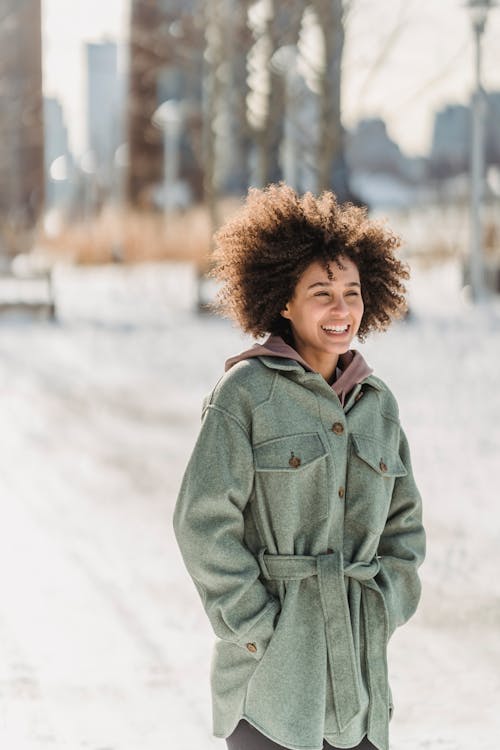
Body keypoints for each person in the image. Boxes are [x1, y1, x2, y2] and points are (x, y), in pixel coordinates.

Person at [173, 183, 426, 750]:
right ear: (283, 301)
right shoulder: (245, 394)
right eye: (321, 293)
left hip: (361, 686)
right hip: (272, 686)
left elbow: (405, 526)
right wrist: (256, 626)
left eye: (352, 292)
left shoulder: (377, 404)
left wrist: (387, 602)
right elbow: (200, 521)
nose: (342, 310)